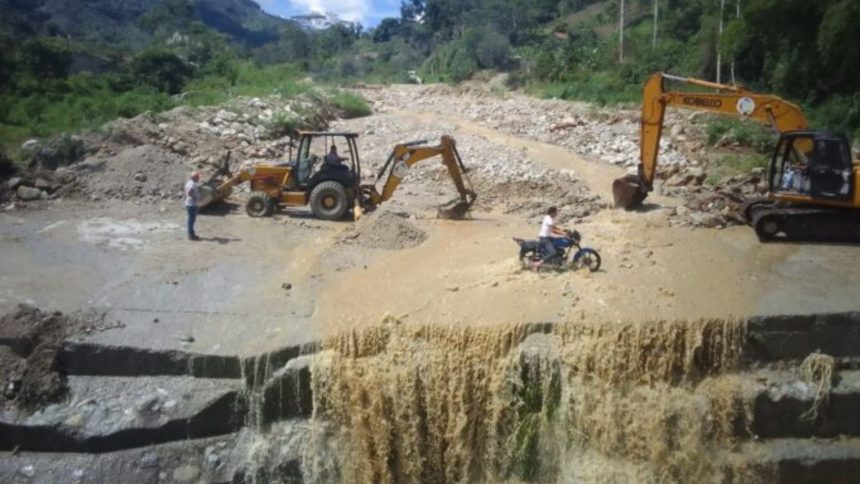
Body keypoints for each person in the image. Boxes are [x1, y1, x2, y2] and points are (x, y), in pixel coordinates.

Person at [184, 171, 201, 241]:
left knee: (191, 220)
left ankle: (191, 233)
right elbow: (189, 192)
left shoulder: (189, 183)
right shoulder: (192, 184)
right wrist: (194, 197)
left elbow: (186, 190)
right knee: (191, 220)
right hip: (192, 205)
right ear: (194, 177)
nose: (198, 179)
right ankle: (191, 235)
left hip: (190, 204)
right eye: (197, 177)